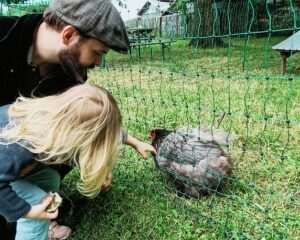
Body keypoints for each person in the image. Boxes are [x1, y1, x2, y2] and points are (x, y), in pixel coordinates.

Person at [0, 0, 156, 238]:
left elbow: (89, 122)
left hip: (21, 155)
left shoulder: (72, 75)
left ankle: (37, 211)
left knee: (49, 174)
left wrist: (102, 153)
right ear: (69, 35)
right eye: (97, 52)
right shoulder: (4, 36)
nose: (98, 63)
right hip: (12, 153)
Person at [0, 84, 155, 240]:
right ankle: (34, 226)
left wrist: (136, 143)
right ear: (78, 135)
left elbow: (105, 132)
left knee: (49, 178)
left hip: (6, 171)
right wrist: (29, 212)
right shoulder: (19, 146)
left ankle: (42, 225)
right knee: (37, 203)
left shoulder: (57, 122)